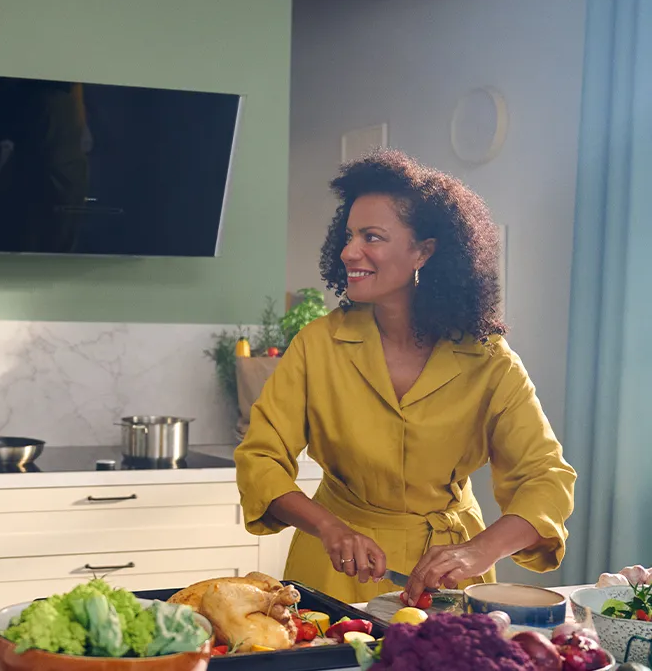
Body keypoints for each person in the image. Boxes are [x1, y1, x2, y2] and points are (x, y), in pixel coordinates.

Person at [234, 149, 576, 606]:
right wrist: (329, 527)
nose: (349, 251)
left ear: (424, 251)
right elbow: (261, 458)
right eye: (349, 235)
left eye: (371, 237)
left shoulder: (490, 360)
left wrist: (478, 551)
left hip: (451, 580)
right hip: (333, 573)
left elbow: (546, 478)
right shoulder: (318, 345)